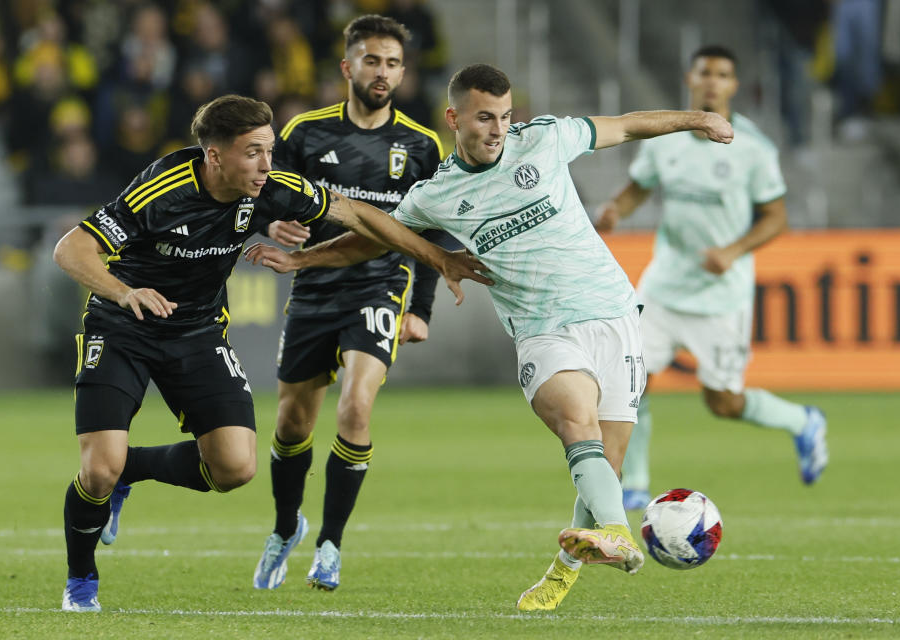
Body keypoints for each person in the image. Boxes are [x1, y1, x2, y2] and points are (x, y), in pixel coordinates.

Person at [245, 63, 733, 611]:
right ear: (454, 118)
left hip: (613, 313)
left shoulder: (545, 139)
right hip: (541, 328)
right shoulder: (438, 194)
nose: (498, 129)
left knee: (606, 466)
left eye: (504, 116)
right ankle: (619, 534)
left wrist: (699, 118)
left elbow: (626, 124)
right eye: (484, 118)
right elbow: (373, 241)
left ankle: (567, 566)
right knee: (576, 422)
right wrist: (302, 260)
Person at [52, 94, 488, 612]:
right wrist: (124, 293)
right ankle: (81, 581)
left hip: (196, 331)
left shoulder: (274, 187)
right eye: (253, 152)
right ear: (214, 156)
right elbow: (71, 249)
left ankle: (132, 470)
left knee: (235, 468)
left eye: (270, 149)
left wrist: (437, 257)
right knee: (97, 469)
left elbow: (359, 216)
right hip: (124, 327)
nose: (267, 165)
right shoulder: (162, 189)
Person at [252, 14, 453, 592]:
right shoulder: (306, 133)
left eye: (392, 63)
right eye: (371, 61)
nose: (382, 72)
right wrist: (278, 225)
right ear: (348, 67)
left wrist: (423, 309)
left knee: (356, 408)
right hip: (313, 288)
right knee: (292, 423)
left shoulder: (420, 145)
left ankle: (330, 545)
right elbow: (268, 193)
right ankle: (286, 527)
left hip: (379, 287)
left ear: (403, 71)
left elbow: (433, 233)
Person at [593, 45, 829, 511]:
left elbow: (776, 218)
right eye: (705, 73)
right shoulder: (667, 138)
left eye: (723, 74)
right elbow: (641, 186)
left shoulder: (754, 149)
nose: (712, 82)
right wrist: (615, 209)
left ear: (734, 85)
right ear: (691, 79)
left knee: (722, 402)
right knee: (629, 381)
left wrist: (733, 251)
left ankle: (803, 421)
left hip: (722, 296)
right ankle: (636, 482)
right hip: (663, 286)